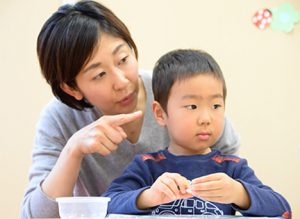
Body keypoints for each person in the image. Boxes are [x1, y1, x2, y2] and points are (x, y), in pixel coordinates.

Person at [20, 1, 240, 218]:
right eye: (99, 75)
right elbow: (34, 216)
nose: (122, 81)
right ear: (71, 88)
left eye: (123, 59)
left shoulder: (175, 94)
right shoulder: (59, 119)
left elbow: (235, 178)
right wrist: (73, 151)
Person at [103, 49, 292, 218]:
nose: (206, 118)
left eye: (216, 106)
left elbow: (283, 210)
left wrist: (239, 193)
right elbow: (106, 206)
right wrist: (148, 196)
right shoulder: (146, 166)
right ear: (161, 113)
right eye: (192, 106)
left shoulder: (232, 168)